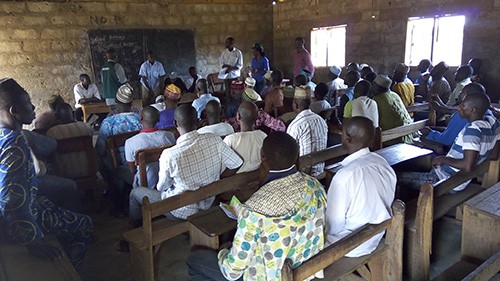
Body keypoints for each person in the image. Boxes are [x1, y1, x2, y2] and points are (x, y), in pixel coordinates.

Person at [187, 132, 327, 281]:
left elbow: (232, 271)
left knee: (195, 259)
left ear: (263, 156)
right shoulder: (315, 186)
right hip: (306, 268)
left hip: (267, 276)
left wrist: (223, 253)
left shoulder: (253, 210)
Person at [0, 78, 93, 269]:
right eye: (27, 103)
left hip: (26, 205)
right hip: (15, 223)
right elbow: (11, 199)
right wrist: (33, 242)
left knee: (52, 202)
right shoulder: (14, 144)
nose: (33, 106)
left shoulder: (5, 136)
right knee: (85, 224)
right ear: (14, 111)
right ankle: (71, 270)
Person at [128, 104, 243, 228]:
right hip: (208, 203)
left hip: (179, 210)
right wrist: (217, 178)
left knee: (135, 194)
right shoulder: (214, 139)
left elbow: (162, 187)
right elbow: (236, 163)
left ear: (175, 123)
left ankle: (136, 231)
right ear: (198, 121)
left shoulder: (170, 155)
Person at [327, 116, 396, 257]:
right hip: (376, 237)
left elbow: (333, 227)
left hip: (349, 246)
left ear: (348, 138)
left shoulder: (343, 177)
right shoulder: (383, 164)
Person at [432, 92, 500, 191]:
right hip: (462, 180)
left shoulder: (473, 130)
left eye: (463, 105)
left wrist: (442, 159)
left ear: (473, 110)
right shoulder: (491, 124)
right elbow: (493, 155)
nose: (459, 107)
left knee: (402, 176)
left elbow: (467, 166)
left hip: (447, 181)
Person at [47, 102, 94, 190]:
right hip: (90, 170)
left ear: (56, 117)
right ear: (73, 114)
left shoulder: (52, 132)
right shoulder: (86, 127)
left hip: (64, 175)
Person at [287, 86, 328, 177]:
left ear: (295, 105)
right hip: (320, 173)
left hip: (304, 177)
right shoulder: (321, 120)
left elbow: (290, 156)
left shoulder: (296, 125)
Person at [224, 101, 267, 173]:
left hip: (235, 181)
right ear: (257, 117)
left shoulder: (230, 140)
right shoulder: (263, 136)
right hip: (259, 178)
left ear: (238, 116)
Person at [372, 74, 412, 144]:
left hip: (393, 139)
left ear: (377, 86)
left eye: (373, 85)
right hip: (408, 133)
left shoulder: (377, 99)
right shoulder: (394, 95)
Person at [219, 37, 243, 103]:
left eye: (228, 42)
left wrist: (231, 68)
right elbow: (221, 64)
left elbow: (240, 65)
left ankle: (236, 107)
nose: (226, 44)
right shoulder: (224, 53)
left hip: (234, 76)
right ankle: (229, 107)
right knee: (228, 92)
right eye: (226, 42)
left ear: (232, 43)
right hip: (226, 76)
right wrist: (228, 67)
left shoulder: (238, 53)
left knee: (235, 93)